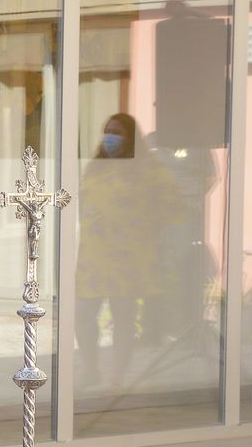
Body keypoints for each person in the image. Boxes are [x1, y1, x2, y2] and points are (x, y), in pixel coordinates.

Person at [75, 112, 182, 387]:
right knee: (82, 314)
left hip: (128, 257)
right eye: (108, 131)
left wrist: (146, 227)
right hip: (94, 256)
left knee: (123, 317)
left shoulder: (147, 167)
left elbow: (173, 204)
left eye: (118, 132)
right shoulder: (97, 166)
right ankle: (90, 369)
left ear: (130, 137)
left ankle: (117, 378)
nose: (111, 137)